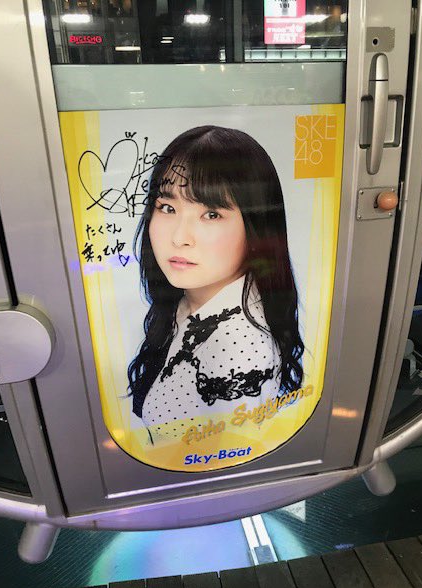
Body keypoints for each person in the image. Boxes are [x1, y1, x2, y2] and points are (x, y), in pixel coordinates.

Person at [128, 125, 304, 444]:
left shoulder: (239, 347)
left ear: (256, 226)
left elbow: (224, 465)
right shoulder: (195, 302)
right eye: (167, 208)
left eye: (211, 214)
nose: (179, 237)